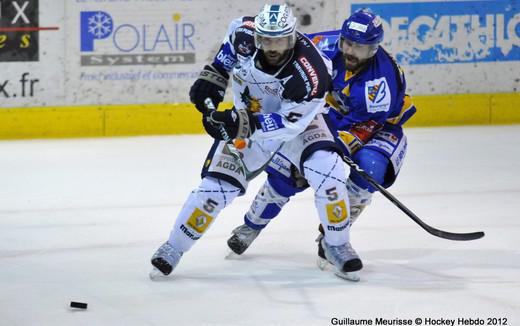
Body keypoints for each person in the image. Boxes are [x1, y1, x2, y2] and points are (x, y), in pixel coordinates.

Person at [150, 4, 363, 281]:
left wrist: (242, 123)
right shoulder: (243, 34)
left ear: (292, 36)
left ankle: (336, 245)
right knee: (214, 189)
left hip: (298, 125)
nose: (273, 47)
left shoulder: (312, 73)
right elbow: (223, 62)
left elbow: (290, 124)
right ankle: (173, 248)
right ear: (258, 37)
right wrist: (212, 79)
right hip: (247, 121)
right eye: (267, 40)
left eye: (280, 40)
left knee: (329, 171)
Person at [226, 9, 416, 276]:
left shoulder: (379, 84)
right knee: (287, 173)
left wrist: (339, 145)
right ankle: (251, 226)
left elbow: (368, 124)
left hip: (378, 127)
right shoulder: (324, 45)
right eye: (347, 42)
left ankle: (333, 239)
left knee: (369, 169)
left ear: (373, 49)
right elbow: (291, 59)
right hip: (328, 116)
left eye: (359, 47)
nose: (350, 51)